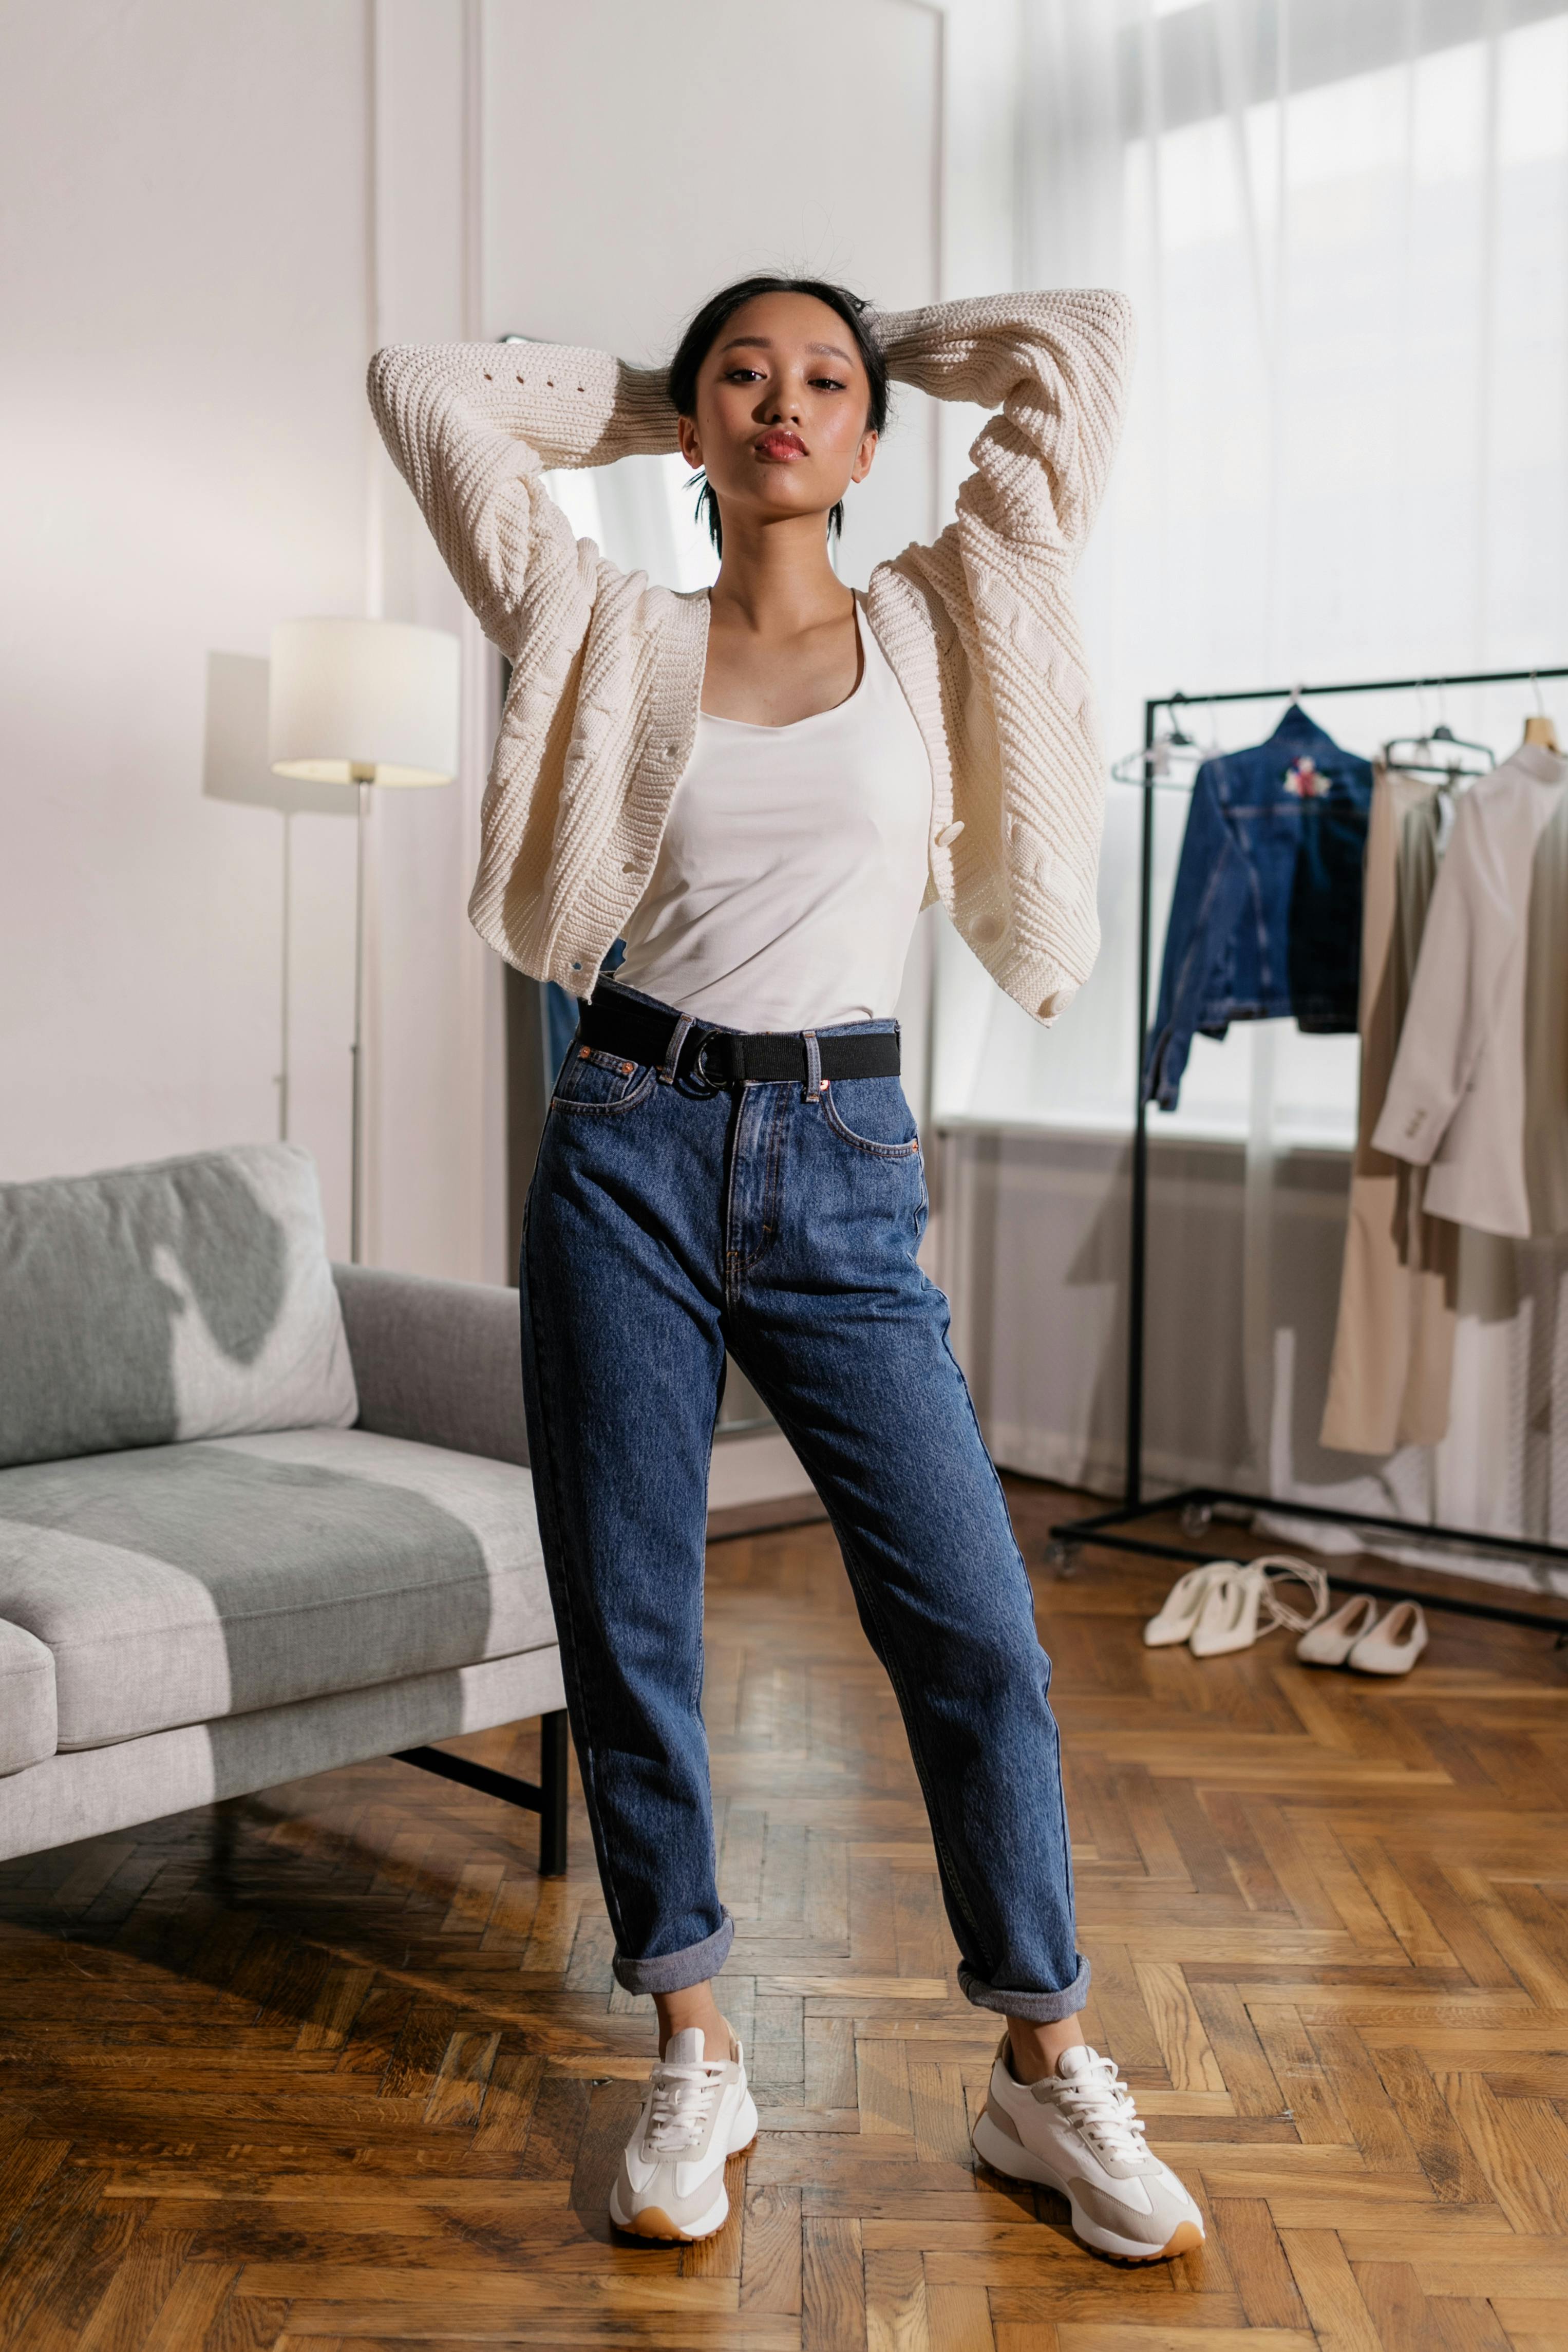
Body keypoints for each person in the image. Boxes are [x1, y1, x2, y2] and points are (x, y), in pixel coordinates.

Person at [368, 275, 1203, 2264]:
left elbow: (1075, 344)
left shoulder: (942, 605)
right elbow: (422, 388)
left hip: (841, 1164)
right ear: (688, 420)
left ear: (872, 430)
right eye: (745, 374)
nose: (784, 404)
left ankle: (1038, 2060)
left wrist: (866, 334)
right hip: (626, 1146)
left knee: (976, 1637)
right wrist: (680, 395)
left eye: (821, 383)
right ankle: (694, 2035)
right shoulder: (603, 622)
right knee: (633, 1612)